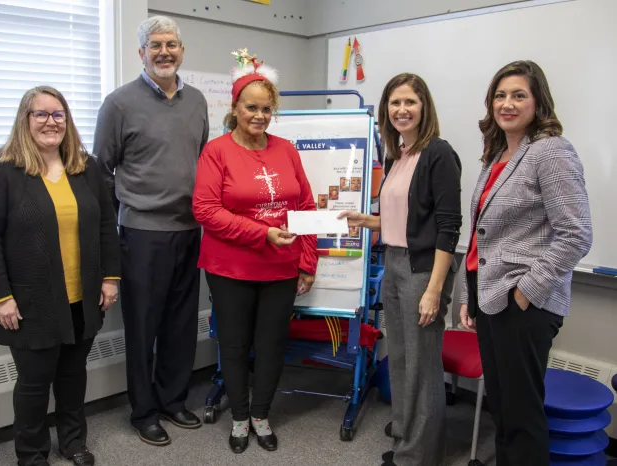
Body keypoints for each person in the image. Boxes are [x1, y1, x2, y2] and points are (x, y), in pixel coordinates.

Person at [0, 86, 121, 466]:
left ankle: (72, 442)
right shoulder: (1, 169)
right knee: (34, 385)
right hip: (30, 301)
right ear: (25, 120)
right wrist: (0, 297)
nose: (51, 122)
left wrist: (110, 278)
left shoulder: (86, 167)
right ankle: (32, 453)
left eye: (58, 114)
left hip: (81, 297)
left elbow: (106, 225)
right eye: (41, 114)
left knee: (73, 378)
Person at [459, 60, 592, 466]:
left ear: (538, 102)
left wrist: (524, 292)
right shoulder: (497, 153)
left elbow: (576, 234)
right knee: (504, 411)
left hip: (524, 303)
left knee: (522, 416)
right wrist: (471, 293)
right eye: (500, 95)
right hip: (490, 295)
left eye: (519, 95)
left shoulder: (550, 151)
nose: (507, 104)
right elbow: (483, 235)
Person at [192, 49, 318, 454]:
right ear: (235, 107)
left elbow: (306, 208)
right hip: (229, 267)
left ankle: (261, 414)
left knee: (271, 345)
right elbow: (205, 210)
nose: (259, 116)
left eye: (266, 108)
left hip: (281, 267)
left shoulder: (286, 150)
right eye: (251, 107)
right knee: (232, 344)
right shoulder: (217, 151)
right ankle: (240, 418)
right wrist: (261, 234)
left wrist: (307, 260)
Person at [92, 15, 209, 446]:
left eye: (171, 45)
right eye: (155, 45)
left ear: (181, 51)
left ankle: (173, 400)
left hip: (189, 229)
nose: (164, 52)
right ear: (141, 52)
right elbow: (100, 172)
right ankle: (143, 411)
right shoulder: (119, 103)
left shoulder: (197, 100)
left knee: (180, 323)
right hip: (141, 232)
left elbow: (201, 161)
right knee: (143, 326)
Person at [338, 73, 462, 466]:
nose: (402, 110)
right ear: (385, 110)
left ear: (424, 107)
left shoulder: (438, 153)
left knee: (423, 365)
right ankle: (407, 434)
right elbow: (406, 219)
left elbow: (447, 228)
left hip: (424, 269)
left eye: (410, 102)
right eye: (394, 103)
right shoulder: (398, 155)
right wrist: (368, 220)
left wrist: (434, 289)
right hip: (393, 261)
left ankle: (417, 457)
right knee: (404, 359)